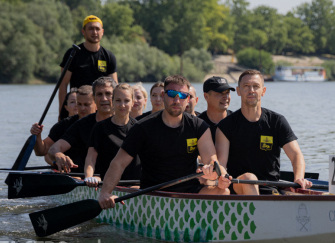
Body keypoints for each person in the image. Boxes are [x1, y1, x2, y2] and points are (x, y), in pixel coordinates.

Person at [97, 75, 231, 210]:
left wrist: (214, 172)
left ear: (187, 99)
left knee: (224, 191)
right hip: (154, 193)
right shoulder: (142, 128)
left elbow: (212, 160)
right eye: (172, 94)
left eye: (182, 96)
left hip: (189, 190)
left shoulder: (199, 126)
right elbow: (119, 163)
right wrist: (105, 192)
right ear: (163, 96)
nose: (177, 100)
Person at [215, 69, 312, 195]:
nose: (251, 90)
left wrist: (298, 178)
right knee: (249, 178)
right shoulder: (225, 126)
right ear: (238, 91)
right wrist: (222, 177)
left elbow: (296, 155)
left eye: (256, 86)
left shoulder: (277, 121)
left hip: (271, 189)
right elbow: (221, 164)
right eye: (246, 86)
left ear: (263, 91)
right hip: (238, 188)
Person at [49, 77, 116, 173]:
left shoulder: (129, 123)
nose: (104, 98)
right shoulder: (82, 124)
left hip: (123, 179)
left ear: (116, 96)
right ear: (94, 98)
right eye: (99, 94)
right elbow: (53, 149)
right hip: (89, 179)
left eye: (108, 94)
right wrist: (58, 154)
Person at [58, 15, 118, 115]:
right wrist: (62, 112)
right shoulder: (72, 54)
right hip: (79, 108)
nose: (94, 32)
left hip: (101, 108)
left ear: (102, 32)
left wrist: (115, 112)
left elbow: (114, 87)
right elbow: (63, 84)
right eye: (90, 29)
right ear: (83, 32)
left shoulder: (109, 56)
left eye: (97, 29)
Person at [84, 83, 141, 185]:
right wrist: (88, 177)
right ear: (112, 102)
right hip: (108, 185)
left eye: (126, 101)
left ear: (132, 103)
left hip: (135, 186)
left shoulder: (139, 128)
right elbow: (91, 158)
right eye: (118, 100)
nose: (122, 105)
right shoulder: (100, 127)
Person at [30, 86, 95, 164]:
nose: (82, 108)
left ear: (96, 105)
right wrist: (37, 134)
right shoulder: (64, 124)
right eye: (79, 104)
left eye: (86, 104)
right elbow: (41, 151)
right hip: (71, 169)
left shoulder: (104, 124)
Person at [198, 76, 234, 141]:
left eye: (227, 93)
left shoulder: (237, 121)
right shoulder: (197, 124)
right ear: (206, 96)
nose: (225, 97)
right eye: (220, 93)